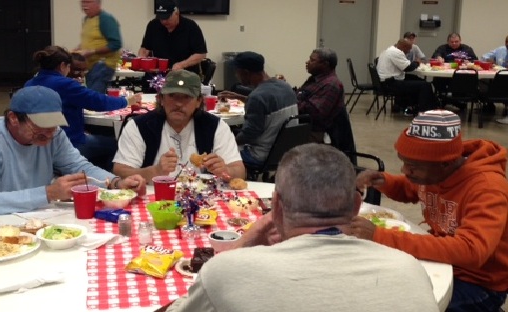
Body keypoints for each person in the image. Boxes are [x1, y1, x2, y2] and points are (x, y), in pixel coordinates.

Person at [163, 144, 439, 312]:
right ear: (356, 206)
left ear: (277, 208)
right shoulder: (410, 270)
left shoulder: (225, 272)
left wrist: (237, 248)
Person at [349, 110, 508, 311]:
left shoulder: (487, 188)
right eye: (404, 162)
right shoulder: (434, 173)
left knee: (407, 304)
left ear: (446, 163)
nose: (405, 171)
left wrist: (379, 235)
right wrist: (385, 182)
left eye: (413, 166)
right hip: (443, 263)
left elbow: (471, 251)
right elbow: (410, 189)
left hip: (479, 282)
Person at [0, 86, 146, 215]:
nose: (48, 134)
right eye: (40, 126)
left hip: (38, 217)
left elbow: (79, 167)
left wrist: (115, 183)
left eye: (53, 125)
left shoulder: (53, 133)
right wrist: (48, 193)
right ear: (13, 118)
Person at [113, 70, 245, 183]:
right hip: (153, 199)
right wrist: (155, 171)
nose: (178, 103)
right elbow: (120, 172)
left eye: (186, 97)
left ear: (198, 101)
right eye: (172, 96)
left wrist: (225, 170)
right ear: (161, 99)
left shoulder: (216, 126)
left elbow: (240, 172)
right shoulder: (139, 126)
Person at [24, 46, 141, 171]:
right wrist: (126, 101)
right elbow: (98, 101)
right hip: (69, 142)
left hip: (37, 144)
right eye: (69, 67)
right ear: (63, 66)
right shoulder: (66, 84)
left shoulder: (29, 83)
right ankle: (109, 177)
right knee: (118, 144)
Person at [218, 51, 298, 166]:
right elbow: (268, 105)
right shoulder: (285, 87)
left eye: (237, 73)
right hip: (284, 151)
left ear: (245, 73)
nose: (236, 76)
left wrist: (228, 142)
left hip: (259, 154)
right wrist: (241, 97)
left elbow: (250, 133)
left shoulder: (257, 97)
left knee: (215, 153)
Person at [138, 0, 207, 75]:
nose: (164, 21)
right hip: (158, 74)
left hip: (185, 75)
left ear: (177, 13)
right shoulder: (153, 25)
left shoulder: (191, 27)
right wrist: (142, 59)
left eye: (167, 18)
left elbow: (201, 54)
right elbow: (145, 48)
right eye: (161, 18)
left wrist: (181, 65)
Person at [377, 39, 438, 115]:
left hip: (386, 81)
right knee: (425, 85)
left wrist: (413, 63)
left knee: (419, 80)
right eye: (409, 49)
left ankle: (412, 106)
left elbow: (406, 64)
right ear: (404, 47)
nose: (409, 52)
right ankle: (424, 111)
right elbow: (407, 68)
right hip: (391, 84)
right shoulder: (396, 53)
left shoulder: (389, 50)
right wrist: (417, 62)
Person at [297, 48, 345, 143]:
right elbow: (300, 94)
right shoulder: (316, 79)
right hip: (304, 125)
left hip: (314, 132)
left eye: (312, 60)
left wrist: (294, 101)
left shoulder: (331, 85)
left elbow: (314, 113)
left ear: (325, 64)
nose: (307, 62)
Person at [77, 0, 123, 93]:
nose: (85, 6)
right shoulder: (86, 19)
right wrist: (78, 49)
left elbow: (116, 44)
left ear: (98, 4)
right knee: (90, 95)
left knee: (94, 97)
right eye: (83, 3)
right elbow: (89, 41)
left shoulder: (106, 19)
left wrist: (92, 51)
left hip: (102, 65)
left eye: (88, 2)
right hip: (90, 66)